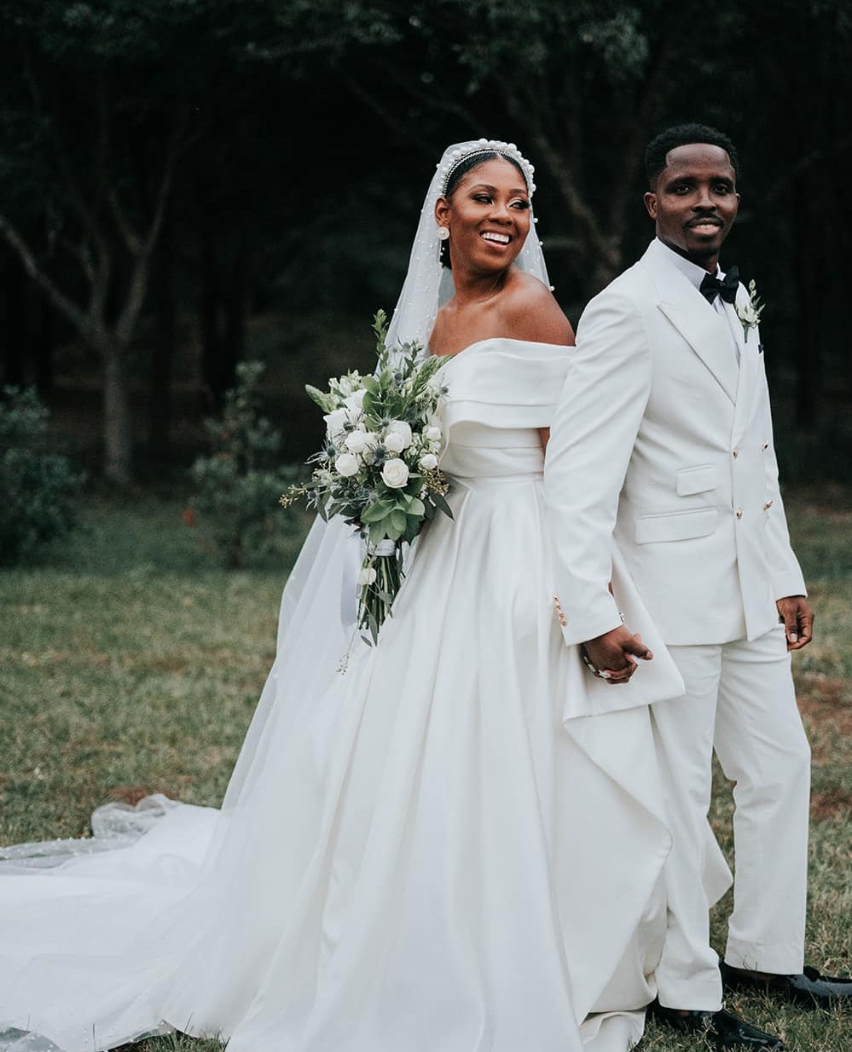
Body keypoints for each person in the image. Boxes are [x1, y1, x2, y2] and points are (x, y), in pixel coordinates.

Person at [0, 139, 686, 1052]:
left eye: (519, 204)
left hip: (516, 551)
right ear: (441, 215)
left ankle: (515, 929)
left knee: (501, 748)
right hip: (441, 552)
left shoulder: (535, 309)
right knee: (396, 748)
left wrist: (585, 601)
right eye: (484, 198)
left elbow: (578, 468)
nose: (504, 217)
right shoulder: (437, 320)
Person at [544, 122, 852, 1050]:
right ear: (651, 202)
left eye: (720, 186)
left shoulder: (736, 301)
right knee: (683, 796)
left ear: (737, 197)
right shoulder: (623, 310)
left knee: (781, 766)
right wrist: (592, 614)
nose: (705, 201)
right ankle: (690, 990)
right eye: (684, 187)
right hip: (664, 598)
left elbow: (751, 457)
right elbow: (578, 478)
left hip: (745, 590)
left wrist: (785, 574)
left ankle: (769, 952)